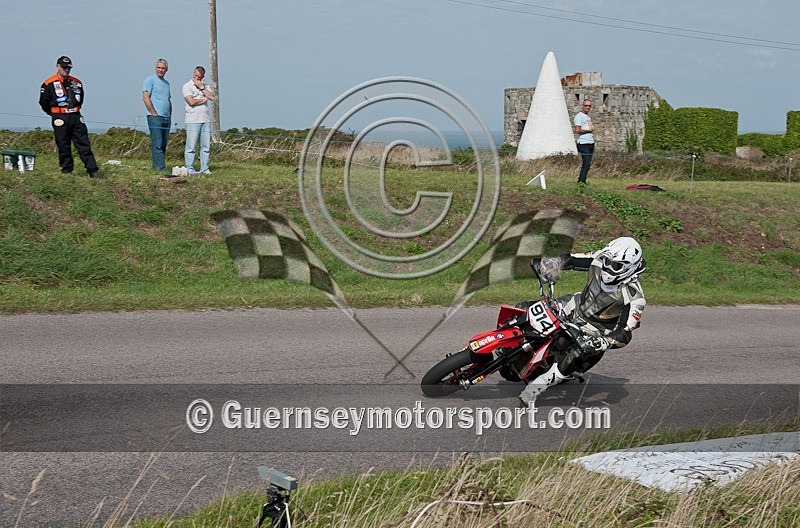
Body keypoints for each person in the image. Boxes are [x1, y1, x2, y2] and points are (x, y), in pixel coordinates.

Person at [518, 237, 646, 407]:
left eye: (615, 265)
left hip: (594, 332)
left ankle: (536, 387)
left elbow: (623, 334)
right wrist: (549, 264)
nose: (607, 266)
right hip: (572, 306)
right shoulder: (599, 259)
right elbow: (572, 259)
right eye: (607, 261)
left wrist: (603, 342)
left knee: (576, 354)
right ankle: (508, 344)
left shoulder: (635, 298)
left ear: (628, 268)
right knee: (523, 308)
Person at [38, 56, 103, 178]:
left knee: (84, 144)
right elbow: (43, 102)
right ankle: (67, 170)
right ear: (57, 67)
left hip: (75, 116)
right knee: (63, 144)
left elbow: (81, 99)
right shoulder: (48, 83)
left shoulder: (77, 82)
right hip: (59, 116)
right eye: (64, 67)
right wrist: (54, 113)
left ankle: (92, 171)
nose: (66, 70)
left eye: (68, 68)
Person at [182, 66, 215, 175]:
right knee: (191, 146)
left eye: (199, 77)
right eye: (195, 76)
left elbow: (212, 97)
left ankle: (204, 168)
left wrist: (202, 88)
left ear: (203, 77)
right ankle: (190, 169)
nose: (197, 78)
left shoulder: (206, 86)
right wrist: (203, 99)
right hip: (192, 120)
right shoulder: (187, 86)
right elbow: (191, 101)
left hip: (205, 120)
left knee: (205, 146)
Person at [143, 59, 172, 171]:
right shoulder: (149, 80)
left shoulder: (166, 83)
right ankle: (160, 168)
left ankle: (157, 166)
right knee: (157, 143)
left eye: (163, 68)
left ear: (166, 69)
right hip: (155, 117)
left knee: (163, 144)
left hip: (166, 117)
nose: (160, 70)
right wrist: (153, 113)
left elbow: (168, 100)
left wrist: (169, 115)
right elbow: (146, 97)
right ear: (156, 68)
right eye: (159, 67)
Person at [574, 99, 595, 185]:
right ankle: (581, 181)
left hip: (590, 142)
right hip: (583, 143)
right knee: (586, 163)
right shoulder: (579, 116)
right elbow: (577, 130)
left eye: (589, 106)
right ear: (582, 106)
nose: (588, 107)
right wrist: (588, 131)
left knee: (588, 164)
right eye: (586, 105)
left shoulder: (588, 117)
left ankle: (583, 180)